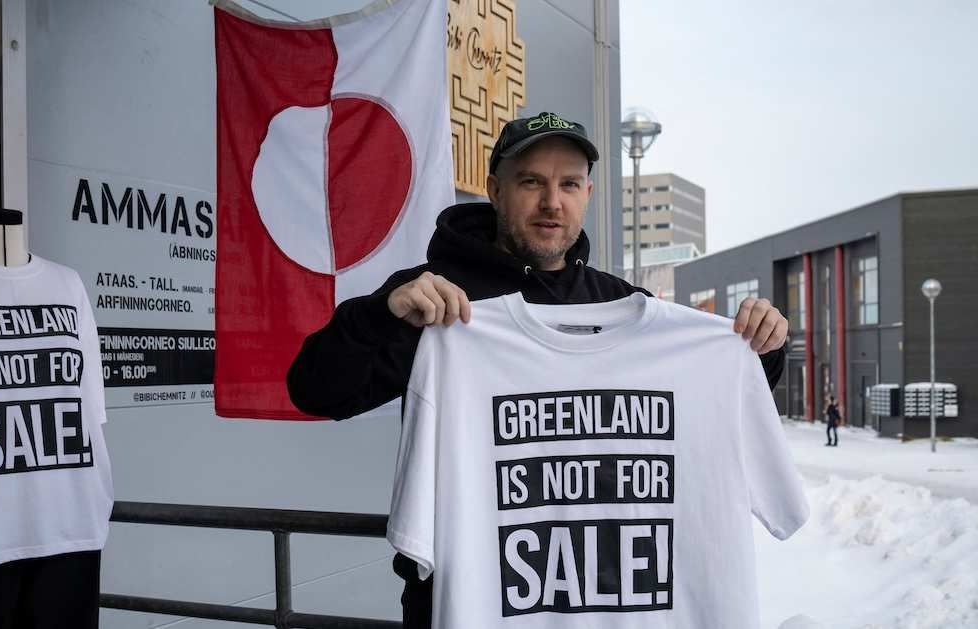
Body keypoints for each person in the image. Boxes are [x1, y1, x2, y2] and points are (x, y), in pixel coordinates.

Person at [286, 111, 790, 627]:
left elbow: (707, 401)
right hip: (470, 604)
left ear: (587, 194)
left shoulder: (622, 306)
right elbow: (312, 390)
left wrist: (760, 347)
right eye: (532, 182)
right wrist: (378, 315)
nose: (553, 202)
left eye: (569, 184)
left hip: (616, 607)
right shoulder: (434, 302)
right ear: (495, 190)